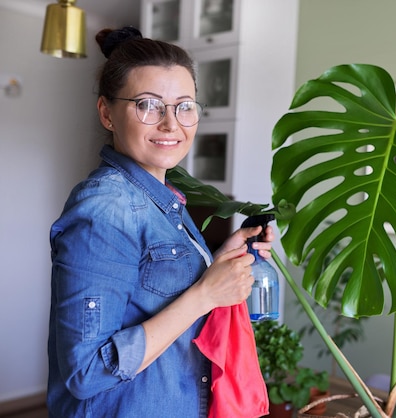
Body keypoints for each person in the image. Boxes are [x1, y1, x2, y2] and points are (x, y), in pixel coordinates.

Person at [47, 26, 273, 417]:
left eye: (184, 106)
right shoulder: (106, 209)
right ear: (107, 113)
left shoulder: (162, 199)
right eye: (148, 105)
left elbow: (154, 287)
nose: (171, 124)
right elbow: (85, 372)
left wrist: (219, 259)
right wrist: (205, 296)